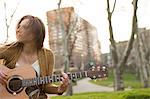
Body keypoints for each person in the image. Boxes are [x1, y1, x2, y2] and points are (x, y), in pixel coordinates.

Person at [0, 15, 69, 99]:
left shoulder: (48, 55)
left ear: (35, 33)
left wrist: (59, 89)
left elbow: (46, 86)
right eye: (18, 27)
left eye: (24, 27)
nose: (18, 30)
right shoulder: (10, 49)